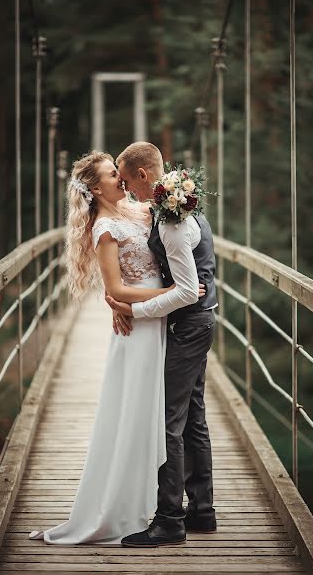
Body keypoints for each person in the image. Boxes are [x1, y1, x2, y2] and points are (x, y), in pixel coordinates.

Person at [28, 150, 204, 545]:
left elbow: (175, 238)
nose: (121, 181)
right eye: (112, 175)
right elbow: (115, 289)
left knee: (163, 413)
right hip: (140, 327)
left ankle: (160, 504)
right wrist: (177, 292)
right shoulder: (105, 226)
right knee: (139, 414)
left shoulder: (140, 210)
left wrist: (177, 293)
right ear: (94, 188)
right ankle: (127, 509)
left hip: (161, 318)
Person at [106, 141, 218, 548]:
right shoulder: (177, 203)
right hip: (201, 322)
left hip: (189, 324)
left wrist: (135, 312)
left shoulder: (171, 218)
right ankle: (202, 511)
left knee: (168, 422)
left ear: (143, 176)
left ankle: (170, 519)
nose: (125, 187)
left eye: (125, 179)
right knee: (194, 418)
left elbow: (188, 292)